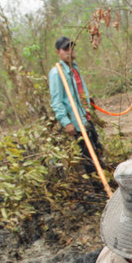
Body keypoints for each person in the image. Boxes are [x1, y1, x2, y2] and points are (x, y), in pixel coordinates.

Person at [48, 35, 104, 181]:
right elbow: (56, 101)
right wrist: (66, 122)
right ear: (58, 52)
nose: (69, 51)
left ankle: (104, 179)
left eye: (71, 48)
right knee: (90, 158)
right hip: (76, 121)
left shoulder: (74, 69)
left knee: (97, 150)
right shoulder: (57, 73)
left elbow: (79, 92)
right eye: (65, 49)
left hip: (86, 117)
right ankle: (100, 187)